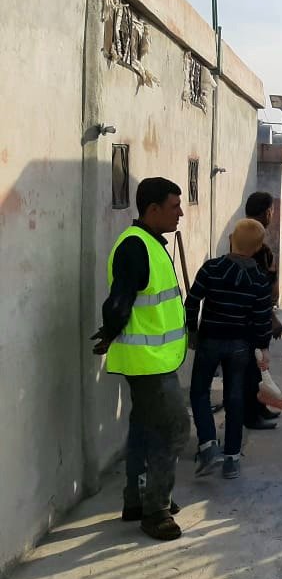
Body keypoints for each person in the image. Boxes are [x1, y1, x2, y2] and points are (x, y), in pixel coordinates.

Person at [90, 177, 189, 541]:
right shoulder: (136, 246)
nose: (180, 212)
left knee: (145, 428)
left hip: (152, 359)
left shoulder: (148, 242)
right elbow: (119, 300)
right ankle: (156, 510)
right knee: (174, 430)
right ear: (152, 210)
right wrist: (109, 330)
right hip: (148, 362)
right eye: (174, 206)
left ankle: (137, 499)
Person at [185, 219, 274, 480]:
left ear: (231, 239)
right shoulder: (259, 279)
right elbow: (261, 319)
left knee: (199, 392)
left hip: (209, 341)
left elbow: (192, 302)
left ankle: (208, 446)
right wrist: (262, 347)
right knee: (235, 399)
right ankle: (232, 460)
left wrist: (192, 331)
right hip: (240, 346)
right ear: (258, 248)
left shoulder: (212, 268)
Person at [243, 191, 282, 429]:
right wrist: (272, 318)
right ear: (267, 212)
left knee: (259, 369)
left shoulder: (244, 233)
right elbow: (257, 288)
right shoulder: (254, 242)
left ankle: (260, 409)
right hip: (253, 318)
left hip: (254, 316)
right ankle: (252, 416)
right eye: (271, 211)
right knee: (252, 370)